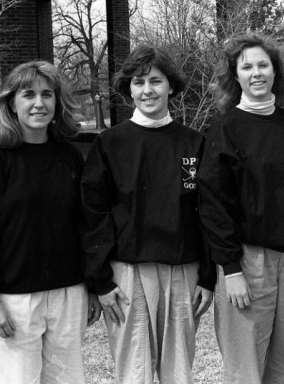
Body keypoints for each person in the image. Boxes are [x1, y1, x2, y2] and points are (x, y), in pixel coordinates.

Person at [198, 32, 284, 384]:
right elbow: (213, 205)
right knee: (246, 369)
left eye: (263, 65)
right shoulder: (224, 130)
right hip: (245, 262)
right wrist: (231, 269)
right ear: (235, 76)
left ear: (276, 72)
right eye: (247, 67)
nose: (256, 73)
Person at [81, 45, 215, 384]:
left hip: (183, 271)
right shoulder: (110, 144)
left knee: (178, 372)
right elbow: (92, 214)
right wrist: (100, 281)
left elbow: (209, 213)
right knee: (134, 373)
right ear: (129, 88)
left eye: (156, 81)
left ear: (171, 86)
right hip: (127, 273)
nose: (148, 90)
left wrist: (207, 276)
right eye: (139, 82)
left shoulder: (194, 143)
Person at [0, 61, 101, 384]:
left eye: (47, 94)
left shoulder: (70, 158)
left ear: (57, 102)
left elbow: (85, 225)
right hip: (13, 300)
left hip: (68, 293)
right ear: (12, 102)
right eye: (29, 94)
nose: (39, 103)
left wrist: (92, 287)